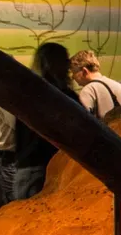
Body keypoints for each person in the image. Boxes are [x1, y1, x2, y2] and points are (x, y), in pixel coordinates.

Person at [11, 42, 80, 201]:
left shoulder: (27, 92)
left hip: (28, 168)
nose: (69, 66)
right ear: (52, 63)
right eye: (64, 60)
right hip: (44, 170)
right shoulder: (60, 96)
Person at [70, 48, 121, 119]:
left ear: (84, 71)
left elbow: (81, 119)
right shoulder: (118, 86)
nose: (73, 77)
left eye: (74, 72)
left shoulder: (88, 91)